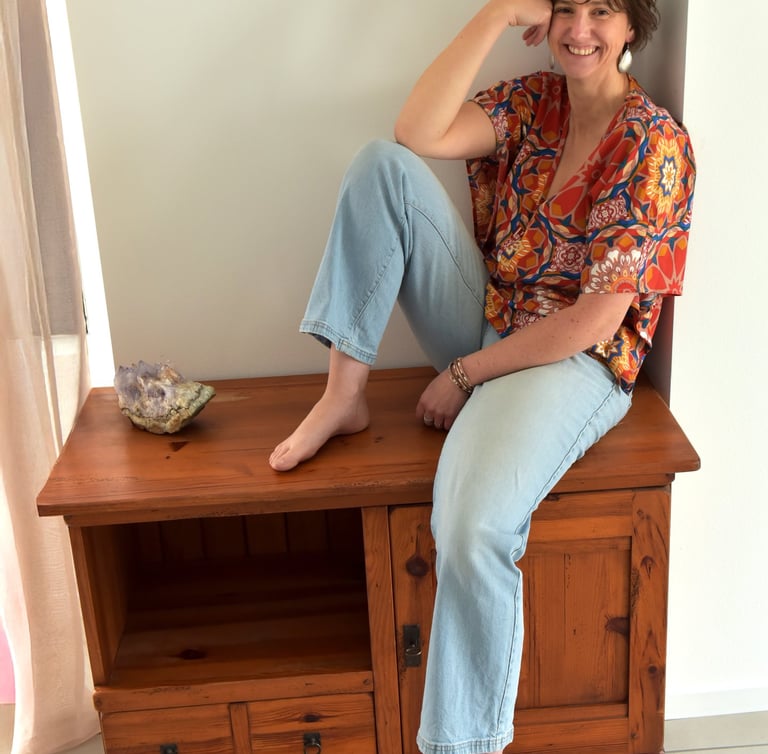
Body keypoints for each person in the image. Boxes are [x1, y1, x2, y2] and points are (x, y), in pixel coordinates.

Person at [270, 1, 695, 752]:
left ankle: (462, 745)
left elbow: (597, 321)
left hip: (575, 364)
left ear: (634, 27)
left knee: (470, 528)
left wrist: (466, 373)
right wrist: (494, 12)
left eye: (603, 11)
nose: (581, 29)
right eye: (566, 9)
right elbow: (418, 132)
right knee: (381, 166)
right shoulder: (532, 102)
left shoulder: (653, 143)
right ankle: (343, 395)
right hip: (493, 317)